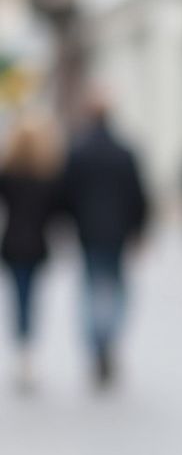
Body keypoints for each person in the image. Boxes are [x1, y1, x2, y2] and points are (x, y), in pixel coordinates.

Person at [58, 90, 149, 388]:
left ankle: (97, 341)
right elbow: (139, 195)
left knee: (91, 287)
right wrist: (139, 229)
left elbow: (65, 193)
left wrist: (68, 223)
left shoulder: (78, 151)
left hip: (88, 231)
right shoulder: (124, 151)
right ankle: (108, 338)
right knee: (116, 287)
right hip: (118, 232)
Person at [0, 112, 65, 392]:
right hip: (36, 245)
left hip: (13, 244)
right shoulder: (45, 175)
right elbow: (57, 211)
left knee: (19, 297)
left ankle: (23, 348)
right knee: (31, 297)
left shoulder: (8, 174)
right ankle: (28, 349)